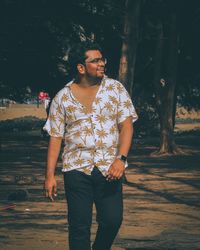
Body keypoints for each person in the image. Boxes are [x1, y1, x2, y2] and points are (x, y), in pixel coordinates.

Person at [43, 41, 138, 250]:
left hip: (109, 167)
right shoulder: (62, 98)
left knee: (112, 220)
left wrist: (121, 159)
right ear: (81, 67)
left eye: (102, 59)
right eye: (95, 60)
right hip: (76, 168)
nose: (102, 63)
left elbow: (127, 126)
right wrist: (50, 175)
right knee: (78, 227)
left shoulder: (115, 89)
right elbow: (56, 137)